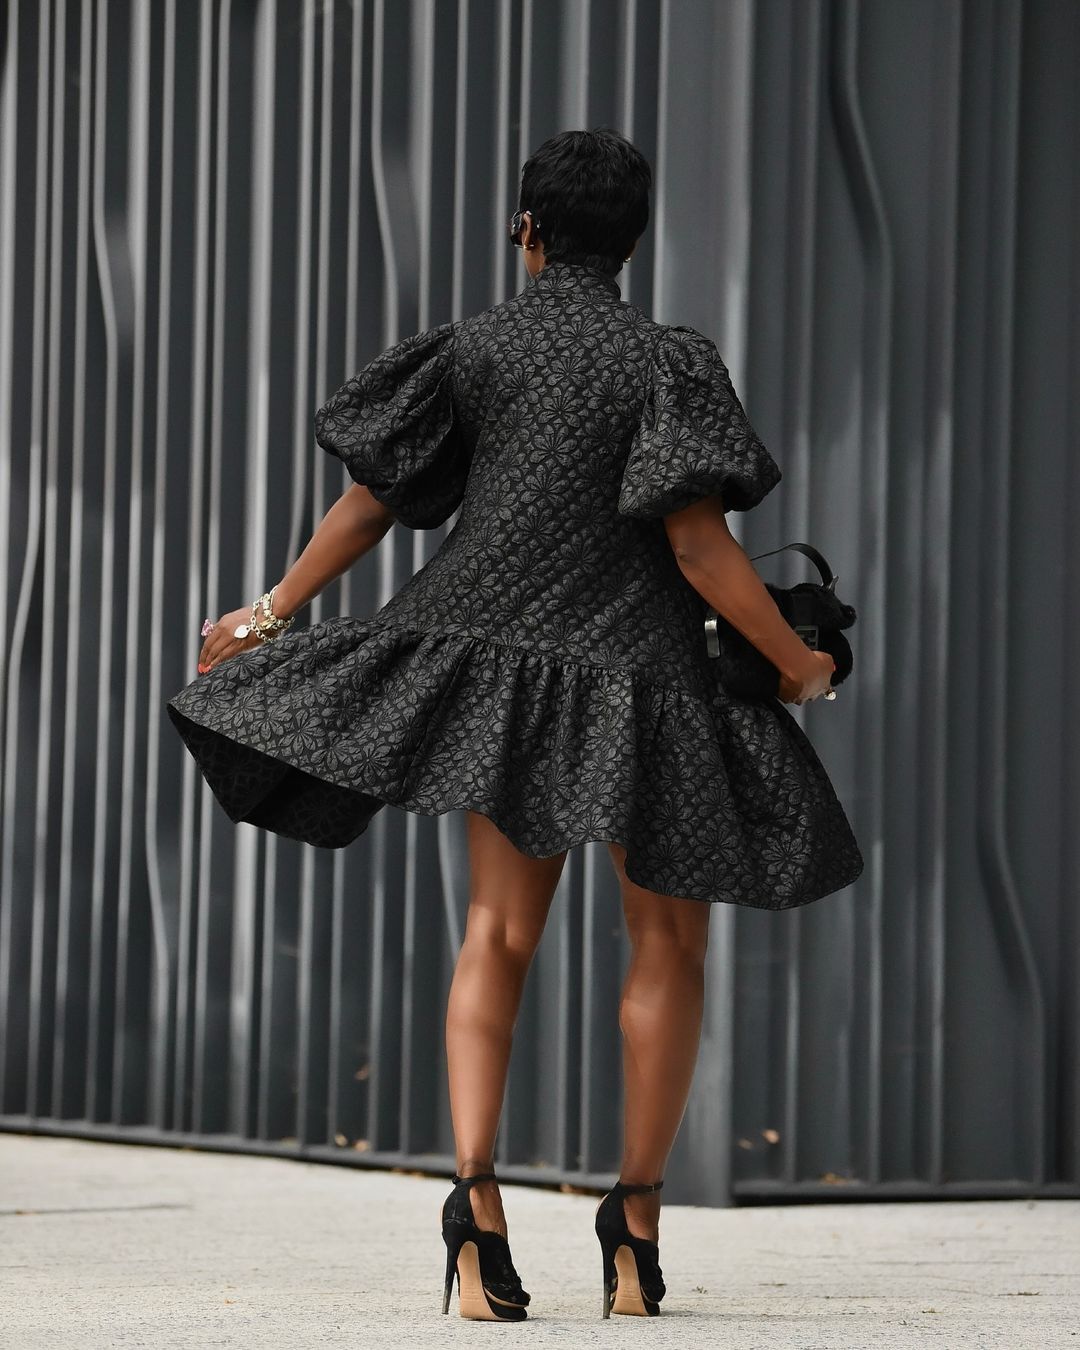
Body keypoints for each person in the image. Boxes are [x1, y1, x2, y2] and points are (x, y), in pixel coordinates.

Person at [166, 127, 862, 1322]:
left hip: (501, 675)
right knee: (671, 949)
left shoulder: (474, 349)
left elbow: (373, 502)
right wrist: (797, 661)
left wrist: (271, 613)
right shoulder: (670, 361)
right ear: (632, 242)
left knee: (495, 933)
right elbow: (698, 547)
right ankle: (633, 1233)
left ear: (526, 229)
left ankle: (475, 1215)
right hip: (644, 681)